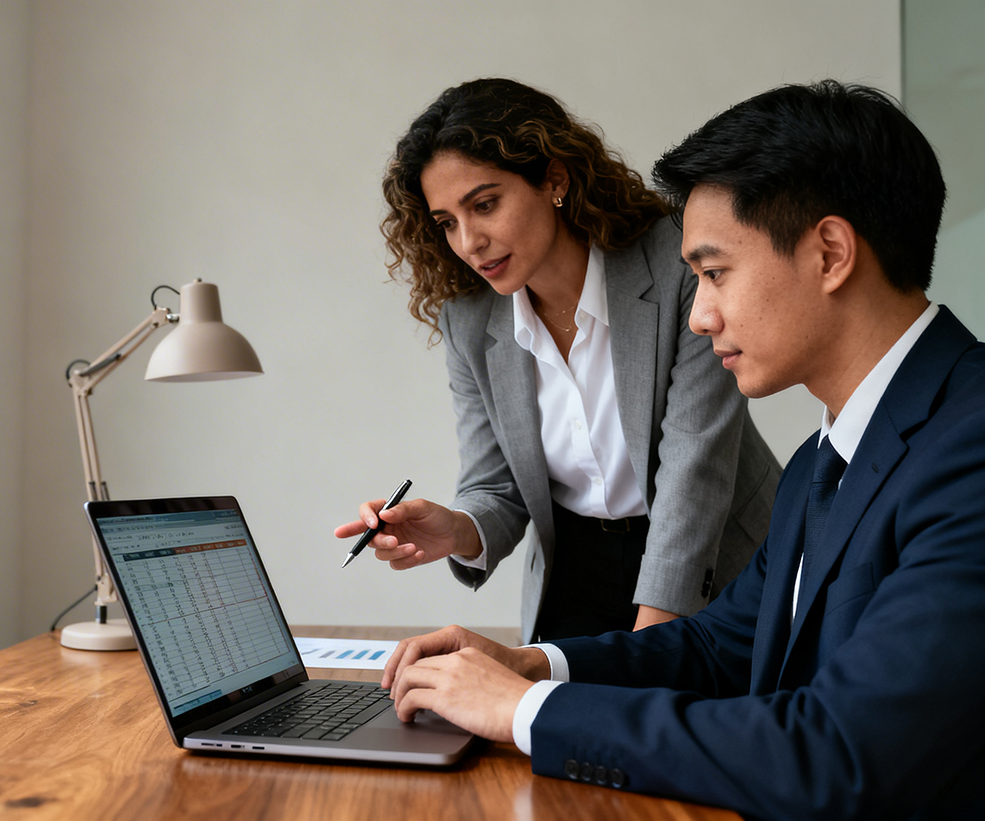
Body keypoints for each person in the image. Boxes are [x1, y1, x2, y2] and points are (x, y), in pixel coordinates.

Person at [381, 80, 985, 820]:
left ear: (829, 253)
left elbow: (837, 752)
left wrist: (526, 710)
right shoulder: (822, 459)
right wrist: (530, 664)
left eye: (714, 272)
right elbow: (718, 647)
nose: (696, 315)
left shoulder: (970, 450)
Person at [335, 79, 780, 641]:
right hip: (575, 570)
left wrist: (649, 649)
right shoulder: (469, 321)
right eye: (447, 221)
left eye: (485, 204)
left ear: (554, 180)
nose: (469, 241)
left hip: (717, 560)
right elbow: (496, 486)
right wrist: (456, 528)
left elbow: (695, 471)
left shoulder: (677, 266)